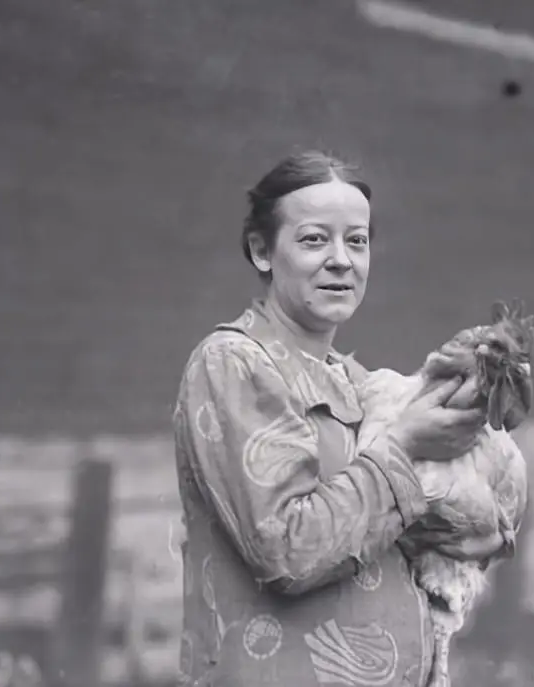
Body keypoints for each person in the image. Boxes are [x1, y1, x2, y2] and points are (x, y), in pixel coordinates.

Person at [172, 150, 504, 686]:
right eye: (313, 240)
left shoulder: (355, 381)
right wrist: (406, 449)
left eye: (357, 240)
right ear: (262, 250)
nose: (341, 259)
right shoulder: (233, 363)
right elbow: (287, 549)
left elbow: (435, 537)